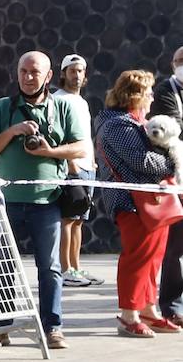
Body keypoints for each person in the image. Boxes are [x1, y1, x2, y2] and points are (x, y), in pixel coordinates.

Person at [0, 51, 88, 350]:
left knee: (50, 267)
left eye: (35, 72)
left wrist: (48, 152)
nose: (28, 77)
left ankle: (53, 327)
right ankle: (1, 327)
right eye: (23, 71)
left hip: (48, 201)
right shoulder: (3, 107)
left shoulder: (63, 107)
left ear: (49, 75)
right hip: (8, 202)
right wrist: (13, 131)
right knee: (3, 266)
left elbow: (80, 148)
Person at [97, 70, 180, 338]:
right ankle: (128, 315)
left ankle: (148, 309)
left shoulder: (136, 121)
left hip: (150, 201)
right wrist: (174, 165)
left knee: (153, 257)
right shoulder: (118, 125)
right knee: (136, 258)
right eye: (148, 92)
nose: (152, 96)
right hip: (131, 201)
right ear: (134, 95)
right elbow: (141, 162)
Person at [55, 54, 100, 287]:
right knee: (67, 220)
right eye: (72, 70)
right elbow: (58, 134)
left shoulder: (82, 102)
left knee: (79, 220)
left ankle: (76, 268)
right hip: (71, 169)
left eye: (81, 70)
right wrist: (70, 164)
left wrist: (91, 162)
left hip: (87, 168)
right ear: (63, 73)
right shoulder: (58, 99)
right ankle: (65, 270)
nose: (77, 75)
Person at [150, 45, 183, 325]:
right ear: (173, 64)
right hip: (178, 178)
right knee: (177, 246)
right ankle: (172, 305)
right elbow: (175, 126)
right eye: (179, 61)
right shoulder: (165, 91)